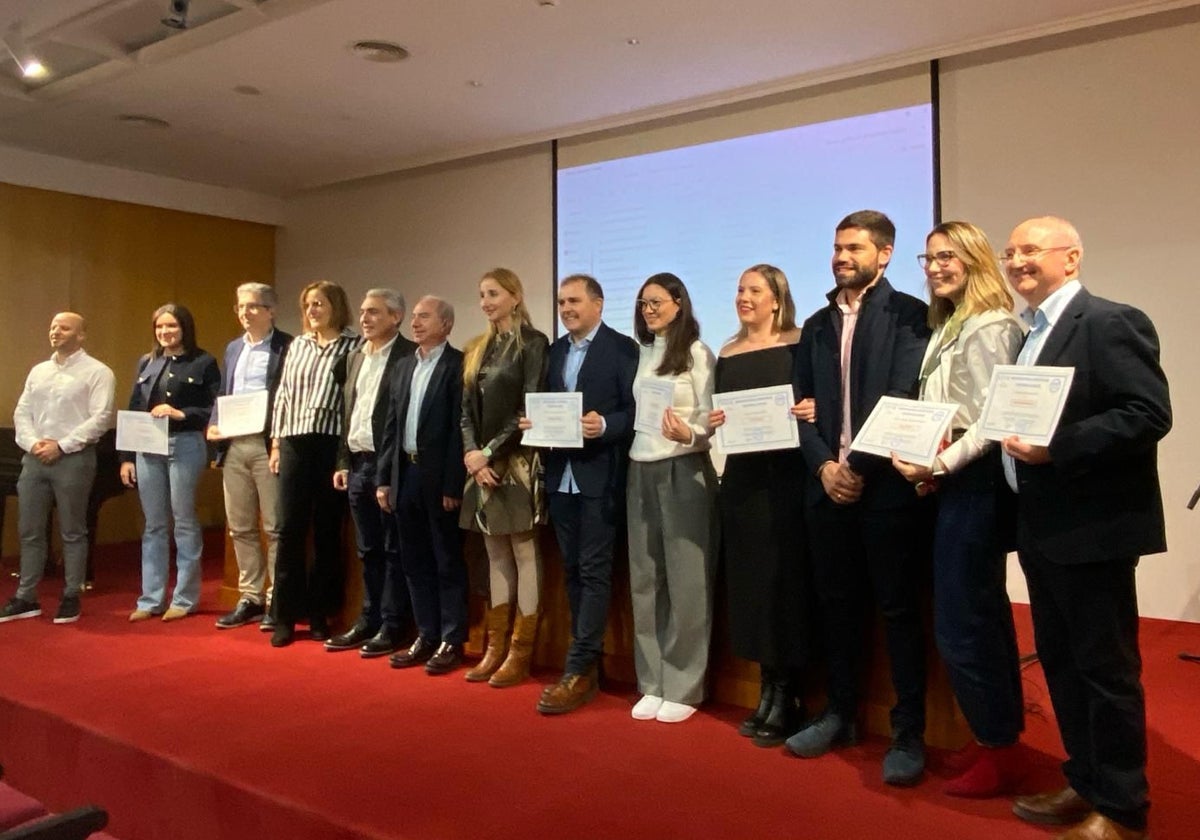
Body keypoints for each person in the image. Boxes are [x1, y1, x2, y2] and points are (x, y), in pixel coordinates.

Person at [1001, 217, 1170, 840]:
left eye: (1030, 250)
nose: (1017, 261)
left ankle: (1124, 809)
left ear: (1070, 258)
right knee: (1063, 663)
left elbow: (1147, 413)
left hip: (1094, 529)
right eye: (1009, 251)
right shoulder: (1029, 336)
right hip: (1042, 529)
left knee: (1105, 670)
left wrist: (1058, 447)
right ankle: (1086, 781)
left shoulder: (1109, 321)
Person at [785, 210, 933, 786]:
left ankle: (909, 731)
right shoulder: (817, 324)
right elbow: (799, 405)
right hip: (827, 491)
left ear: (886, 253)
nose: (841, 256)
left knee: (898, 613)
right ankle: (841, 715)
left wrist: (856, 468)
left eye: (854, 247)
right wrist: (824, 464)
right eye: (836, 246)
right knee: (837, 609)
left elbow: (901, 398)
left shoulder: (910, 317)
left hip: (886, 492)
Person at [889, 222, 1027, 796]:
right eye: (929, 257)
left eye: (948, 256)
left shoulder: (992, 326)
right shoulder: (950, 323)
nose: (935, 266)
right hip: (955, 481)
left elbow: (994, 422)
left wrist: (940, 467)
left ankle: (1000, 749)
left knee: (965, 623)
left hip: (978, 482)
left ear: (974, 259)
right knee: (976, 616)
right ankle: (998, 738)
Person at [524, 274, 638, 715]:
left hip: (601, 476)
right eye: (560, 301)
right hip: (561, 477)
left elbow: (636, 410)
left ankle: (579, 666)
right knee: (571, 570)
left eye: (574, 300)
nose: (566, 308)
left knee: (593, 573)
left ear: (599, 304)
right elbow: (548, 404)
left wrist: (606, 425)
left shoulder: (623, 349)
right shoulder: (555, 351)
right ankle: (586, 667)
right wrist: (533, 423)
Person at [709, 265, 813, 745]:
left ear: (777, 299)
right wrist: (714, 420)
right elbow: (721, 416)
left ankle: (790, 692)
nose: (743, 297)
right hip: (743, 483)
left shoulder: (799, 343)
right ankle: (766, 688)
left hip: (787, 481)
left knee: (785, 586)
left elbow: (816, 401)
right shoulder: (726, 352)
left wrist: (813, 408)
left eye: (754, 290)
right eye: (739, 289)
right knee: (751, 587)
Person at [627, 272, 718, 724]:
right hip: (639, 467)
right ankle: (653, 680)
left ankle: (683, 683)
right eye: (644, 303)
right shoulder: (642, 352)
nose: (649, 310)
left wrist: (693, 433)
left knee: (686, 580)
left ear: (680, 303)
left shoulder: (698, 353)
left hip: (683, 468)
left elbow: (709, 419)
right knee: (645, 578)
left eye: (658, 302)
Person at [459, 268, 549, 687]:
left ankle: (520, 651)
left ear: (515, 297)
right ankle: (494, 647)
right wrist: (473, 458)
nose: (485, 301)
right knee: (494, 555)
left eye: (493, 293)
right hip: (479, 468)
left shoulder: (533, 343)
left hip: (517, 462)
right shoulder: (476, 347)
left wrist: (491, 453)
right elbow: (464, 413)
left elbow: (528, 410)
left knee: (524, 554)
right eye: (481, 295)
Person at [1, 313, 115, 625]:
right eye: (52, 326)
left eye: (64, 328)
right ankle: (26, 596)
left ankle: (70, 595)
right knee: (30, 529)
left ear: (81, 336)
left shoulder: (97, 372)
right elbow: (22, 411)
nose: (55, 332)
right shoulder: (39, 371)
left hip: (74, 459)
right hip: (35, 458)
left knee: (72, 530)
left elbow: (101, 417)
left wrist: (61, 445)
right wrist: (33, 443)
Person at [377, 296, 469, 675]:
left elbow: (457, 431)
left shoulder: (457, 365)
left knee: (446, 560)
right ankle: (426, 633)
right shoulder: (402, 366)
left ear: (446, 325)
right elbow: (390, 425)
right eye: (413, 317)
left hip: (439, 478)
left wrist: (453, 484)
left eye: (424, 317)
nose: (415, 323)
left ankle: (452, 637)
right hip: (405, 475)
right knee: (413, 560)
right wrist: (384, 479)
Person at [268, 281, 359, 648]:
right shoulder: (297, 345)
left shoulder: (353, 346)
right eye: (307, 305)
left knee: (325, 533)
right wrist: (276, 442)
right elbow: (284, 395)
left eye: (319, 304)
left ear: (336, 306)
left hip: (330, 445)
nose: (312, 311)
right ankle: (284, 616)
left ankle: (321, 614)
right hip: (293, 442)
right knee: (288, 530)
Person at [119, 304, 221, 622]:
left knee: (184, 521)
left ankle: (185, 597)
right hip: (147, 447)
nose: (165, 332)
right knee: (153, 525)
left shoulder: (204, 362)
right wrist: (125, 458)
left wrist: (182, 414)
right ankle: (150, 598)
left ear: (185, 328)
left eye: (172, 326)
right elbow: (135, 406)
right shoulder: (147, 362)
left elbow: (215, 408)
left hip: (185, 444)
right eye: (160, 327)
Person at [327, 289, 414, 657]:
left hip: (389, 464)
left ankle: (393, 624)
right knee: (367, 549)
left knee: (393, 548)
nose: (364, 319)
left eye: (374, 312)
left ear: (396, 317)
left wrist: (386, 474)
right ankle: (369, 618)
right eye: (362, 312)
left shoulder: (409, 356)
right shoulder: (354, 358)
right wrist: (343, 461)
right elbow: (348, 413)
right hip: (357, 462)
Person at [209, 283, 293, 631]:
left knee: (273, 526)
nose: (245, 313)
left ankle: (277, 599)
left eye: (253, 307)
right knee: (240, 525)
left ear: (271, 311)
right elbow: (225, 393)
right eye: (241, 306)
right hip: (233, 444)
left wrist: (278, 442)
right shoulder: (232, 349)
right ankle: (250, 596)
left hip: (266, 444)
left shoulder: (287, 346)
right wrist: (214, 424)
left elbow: (289, 395)